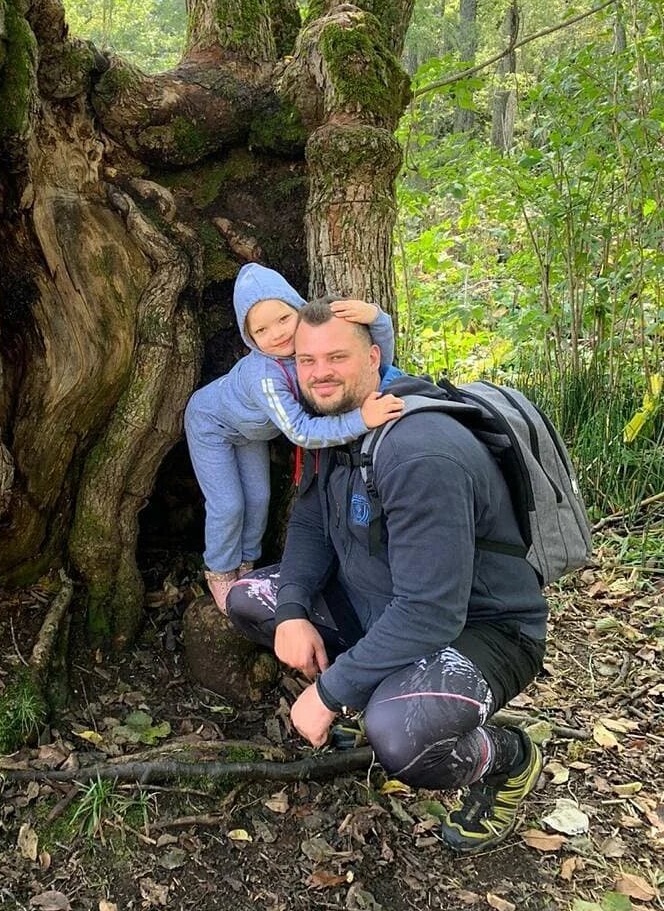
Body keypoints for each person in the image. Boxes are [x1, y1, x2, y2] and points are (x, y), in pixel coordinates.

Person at [227, 296, 548, 853]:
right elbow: (311, 522)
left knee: (402, 738)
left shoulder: (420, 454)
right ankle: (378, 690)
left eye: (337, 357)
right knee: (253, 599)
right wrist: (294, 609)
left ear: (375, 357)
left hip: (482, 629)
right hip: (383, 602)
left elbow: (431, 612)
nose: (321, 373)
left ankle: (511, 759)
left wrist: (328, 692)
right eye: (307, 361)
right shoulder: (340, 425)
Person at [185, 264, 404, 613]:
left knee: (258, 499)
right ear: (249, 339)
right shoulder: (265, 375)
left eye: (284, 318)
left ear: (298, 308)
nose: (276, 334)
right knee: (228, 505)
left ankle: (246, 565)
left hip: (251, 431)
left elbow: (374, 363)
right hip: (212, 425)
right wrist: (361, 419)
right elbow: (300, 430)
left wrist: (378, 320)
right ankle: (220, 570)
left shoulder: (310, 343)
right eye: (261, 330)